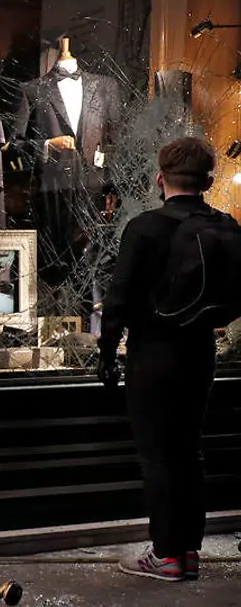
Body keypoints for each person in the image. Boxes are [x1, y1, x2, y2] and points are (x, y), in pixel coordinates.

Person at [100, 137, 228, 581]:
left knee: (158, 456)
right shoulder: (224, 224)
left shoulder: (144, 228)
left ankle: (166, 555)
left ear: (160, 179)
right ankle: (188, 551)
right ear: (208, 181)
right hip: (200, 353)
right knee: (189, 452)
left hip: (152, 356)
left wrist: (106, 353)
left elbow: (118, 299)